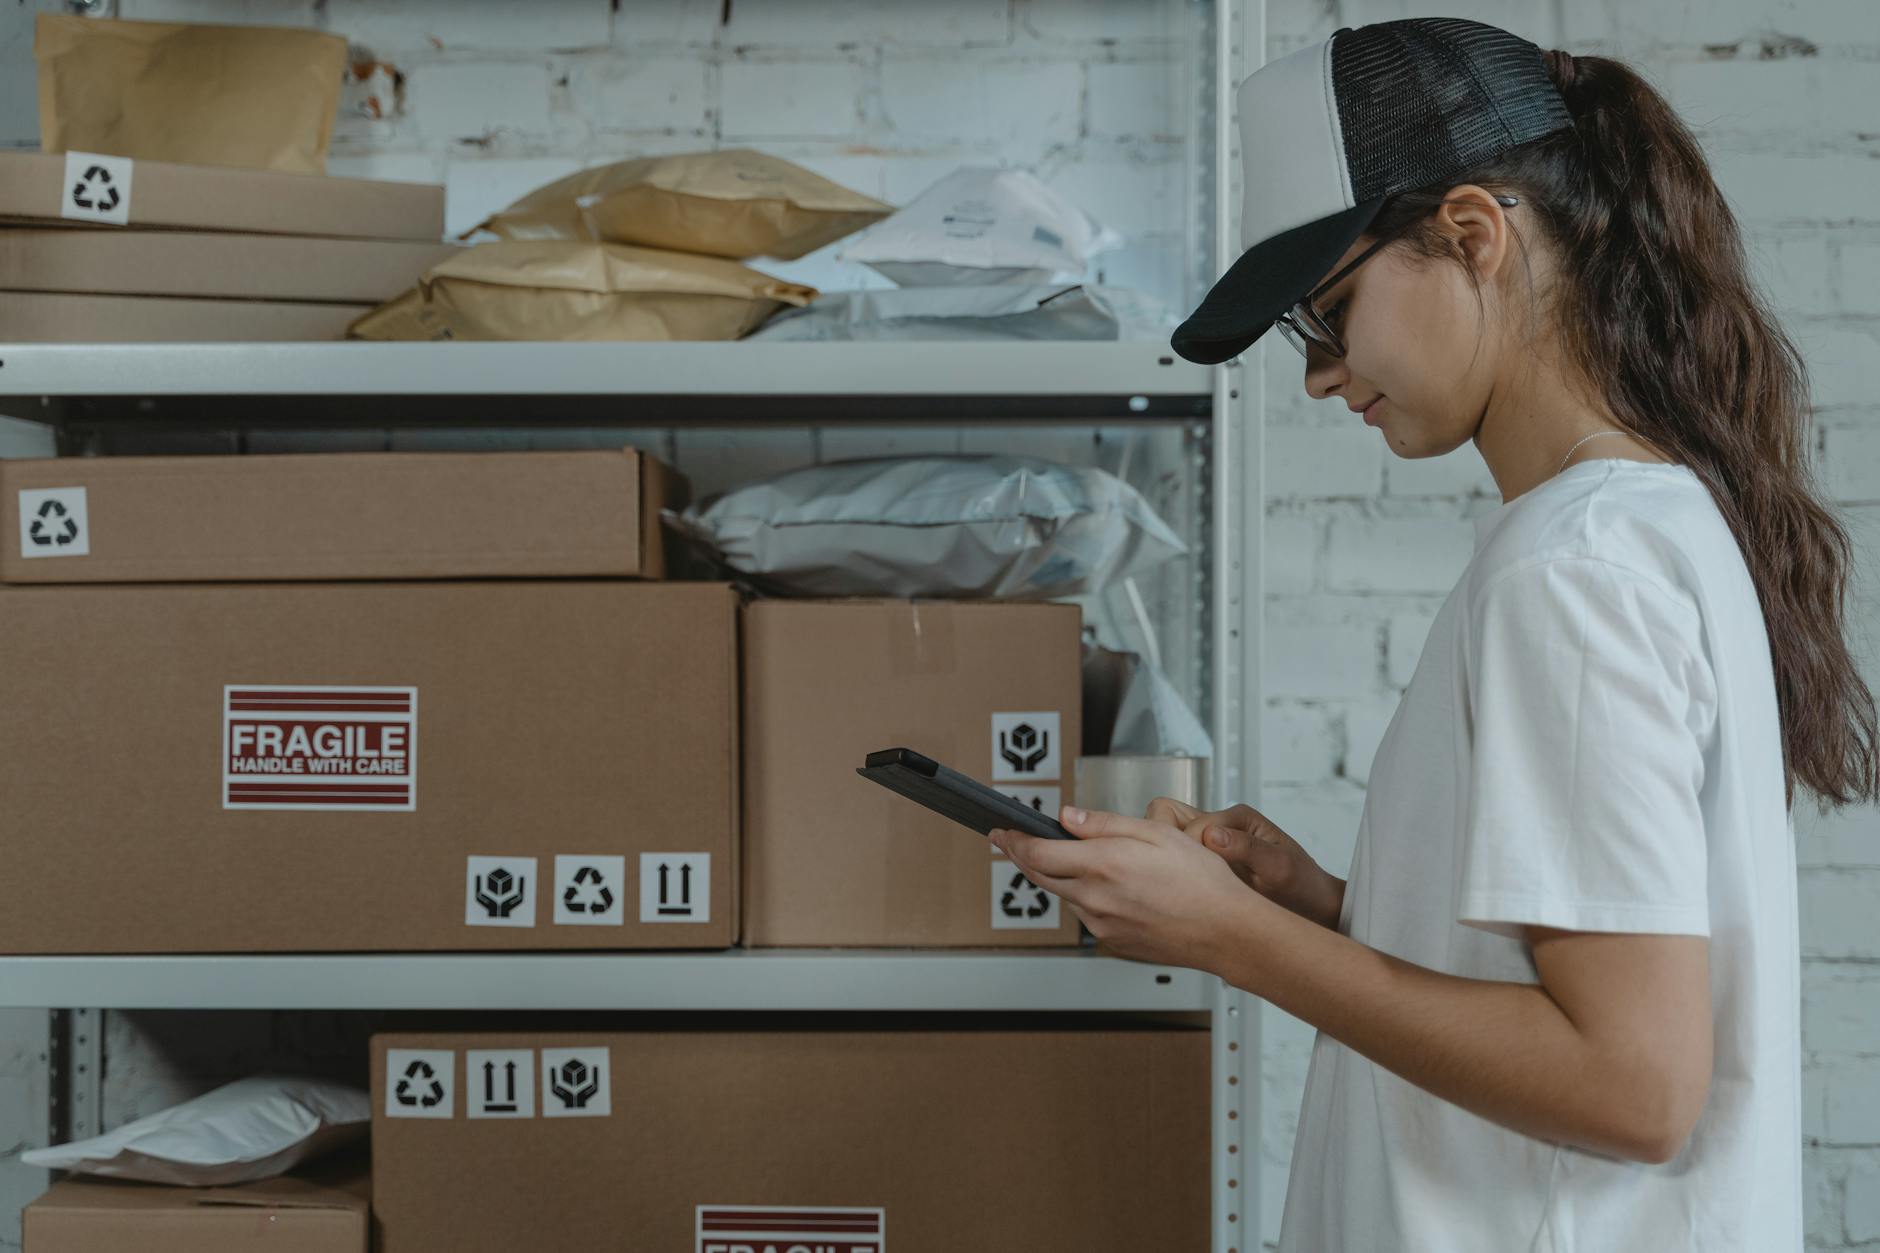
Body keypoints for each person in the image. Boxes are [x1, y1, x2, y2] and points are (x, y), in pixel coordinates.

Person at [989, 16, 1878, 1253]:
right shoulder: (1640, 526)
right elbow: (1578, 990)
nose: (1315, 374)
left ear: (1472, 236)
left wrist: (1230, 938)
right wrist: (1315, 904)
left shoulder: (1571, 569)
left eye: (1331, 309)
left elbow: (1632, 1085)